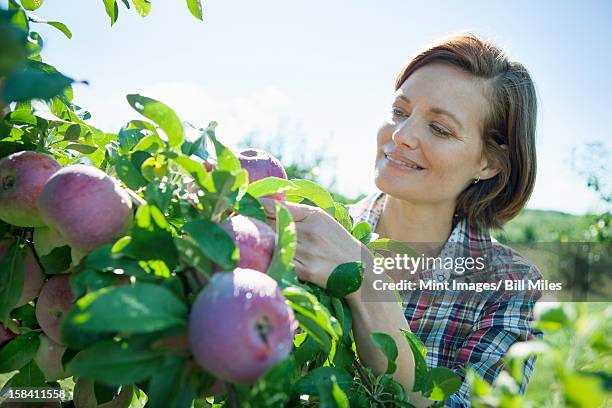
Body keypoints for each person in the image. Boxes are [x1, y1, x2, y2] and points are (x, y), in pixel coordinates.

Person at [262, 33, 541, 407]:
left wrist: (364, 278)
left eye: (439, 128)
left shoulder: (510, 286)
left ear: (489, 163)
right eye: (399, 112)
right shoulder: (315, 233)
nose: (402, 134)